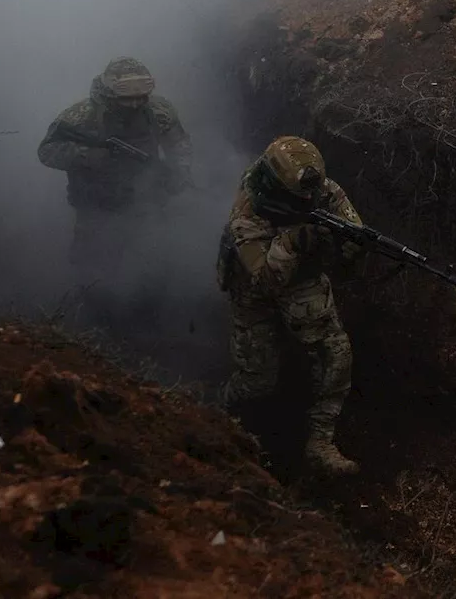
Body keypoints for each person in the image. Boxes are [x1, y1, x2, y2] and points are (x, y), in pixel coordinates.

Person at [216, 135, 365, 477]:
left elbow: (352, 226)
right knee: (258, 380)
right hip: (254, 286)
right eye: (300, 197)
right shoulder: (247, 212)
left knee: (335, 352)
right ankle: (217, 413)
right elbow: (265, 280)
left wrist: (350, 245)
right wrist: (294, 239)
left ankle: (320, 442)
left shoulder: (321, 189)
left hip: (302, 279)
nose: (311, 199)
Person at [37, 56, 193, 279]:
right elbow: (47, 151)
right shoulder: (81, 116)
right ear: (109, 93)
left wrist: (180, 172)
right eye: (127, 98)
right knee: (95, 275)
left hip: (148, 206)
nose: (136, 104)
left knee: (155, 271)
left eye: (141, 97)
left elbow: (179, 143)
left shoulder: (159, 110)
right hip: (96, 211)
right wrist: (90, 156)